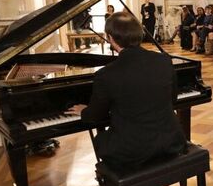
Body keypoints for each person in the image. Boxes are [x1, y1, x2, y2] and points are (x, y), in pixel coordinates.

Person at [66, 12, 186, 166]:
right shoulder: (164, 60)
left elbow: (94, 117)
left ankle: (114, 183)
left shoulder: (106, 74)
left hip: (133, 151)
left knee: (100, 140)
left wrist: (84, 110)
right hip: (171, 141)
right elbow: (172, 100)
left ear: (110, 38)